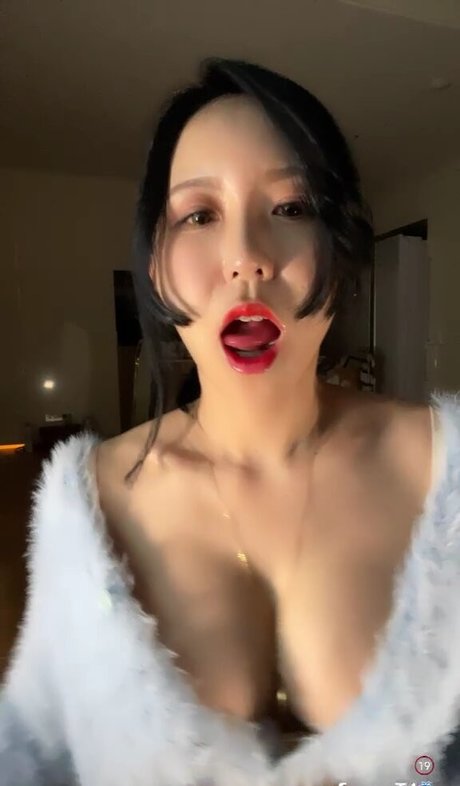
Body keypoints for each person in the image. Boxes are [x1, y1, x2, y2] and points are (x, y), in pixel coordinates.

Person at [1, 58, 460, 786]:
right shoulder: (88, 504)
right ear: (156, 265)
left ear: (341, 251)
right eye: (199, 215)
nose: (246, 259)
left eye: (292, 208)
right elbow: (33, 751)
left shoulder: (442, 466)